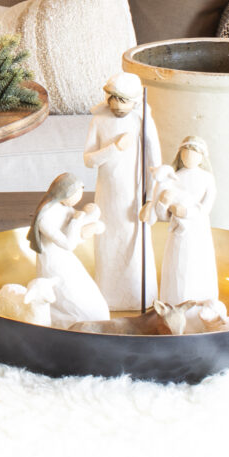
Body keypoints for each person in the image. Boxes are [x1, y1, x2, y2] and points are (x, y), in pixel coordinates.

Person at [83, 71, 161, 312]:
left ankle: (139, 296)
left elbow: (155, 162)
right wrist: (114, 148)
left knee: (134, 244)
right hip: (107, 196)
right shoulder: (99, 120)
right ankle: (109, 297)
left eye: (123, 100)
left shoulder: (141, 120)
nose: (117, 105)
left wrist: (152, 199)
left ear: (135, 101)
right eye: (113, 99)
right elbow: (89, 160)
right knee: (108, 243)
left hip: (134, 195)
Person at [142, 135, 218, 306]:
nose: (189, 156)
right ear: (180, 154)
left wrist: (187, 212)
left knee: (198, 263)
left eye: (194, 152)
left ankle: (201, 302)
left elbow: (206, 207)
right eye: (186, 152)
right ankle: (174, 303)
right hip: (178, 231)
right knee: (178, 265)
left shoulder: (207, 178)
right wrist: (163, 203)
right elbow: (163, 215)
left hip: (198, 229)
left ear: (202, 156)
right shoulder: (174, 177)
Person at [26, 172, 109, 326]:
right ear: (64, 192)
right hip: (54, 264)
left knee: (91, 299)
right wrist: (77, 221)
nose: (79, 199)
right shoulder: (45, 217)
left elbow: (77, 226)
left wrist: (93, 214)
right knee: (69, 297)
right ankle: (66, 321)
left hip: (66, 260)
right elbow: (68, 244)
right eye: (76, 195)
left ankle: (93, 320)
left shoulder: (65, 208)